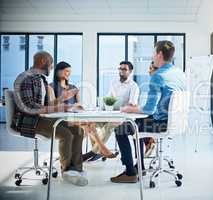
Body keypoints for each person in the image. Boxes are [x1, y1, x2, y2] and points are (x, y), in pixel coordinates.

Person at [110, 40, 187, 183]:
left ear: (159, 54)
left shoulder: (158, 76)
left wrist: (129, 108)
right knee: (137, 123)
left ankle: (130, 173)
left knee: (121, 129)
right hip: (176, 122)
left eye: (153, 53)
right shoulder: (180, 74)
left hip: (161, 124)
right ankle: (140, 166)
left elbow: (149, 109)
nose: (152, 57)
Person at [13, 51, 88, 186]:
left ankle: (76, 170)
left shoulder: (40, 79)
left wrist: (61, 100)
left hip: (41, 117)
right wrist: (57, 108)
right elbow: (29, 108)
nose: (52, 67)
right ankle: (66, 172)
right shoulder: (25, 78)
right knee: (65, 134)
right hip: (28, 120)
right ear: (43, 61)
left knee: (78, 130)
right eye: (51, 63)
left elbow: (47, 105)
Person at [48, 61, 116, 161]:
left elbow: (79, 105)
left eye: (70, 71)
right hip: (61, 119)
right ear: (58, 72)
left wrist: (75, 107)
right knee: (87, 125)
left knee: (89, 123)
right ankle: (101, 149)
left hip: (74, 116)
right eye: (66, 71)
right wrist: (65, 102)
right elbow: (52, 106)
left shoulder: (73, 88)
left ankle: (96, 150)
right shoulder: (51, 87)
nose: (69, 74)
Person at [82, 61, 140, 161]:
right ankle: (99, 150)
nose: (121, 71)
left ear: (130, 71)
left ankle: (92, 153)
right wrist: (101, 108)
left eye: (124, 69)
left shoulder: (134, 86)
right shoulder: (114, 83)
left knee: (110, 125)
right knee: (90, 123)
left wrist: (121, 108)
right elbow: (108, 100)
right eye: (120, 69)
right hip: (111, 115)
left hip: (125, 119)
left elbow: (132, 105)